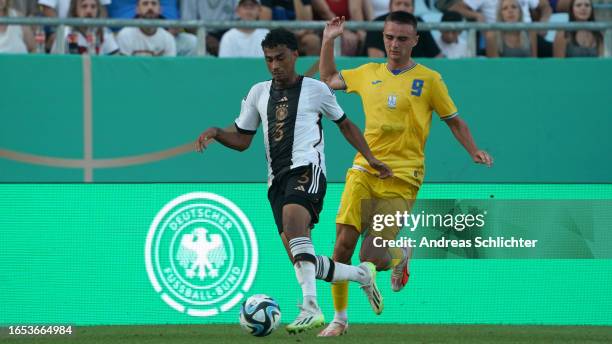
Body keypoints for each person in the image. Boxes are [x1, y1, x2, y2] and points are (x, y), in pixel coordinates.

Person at [195, 29, 392, 335]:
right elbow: (242, 139)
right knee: (305, 260)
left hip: (307, 170)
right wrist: (216, 133)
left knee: (294, 223)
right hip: (276, 182)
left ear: (295, 55)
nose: (274, 65)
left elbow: (346, 125)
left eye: (280, 58)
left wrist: (370, 157)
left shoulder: (316, 89)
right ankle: (361, 275)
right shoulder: (258, 92)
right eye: (269, 59)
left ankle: (311, 307)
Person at [319, 13, 493, 336]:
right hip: (364, 169)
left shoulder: (429, 79)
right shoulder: (368, 72)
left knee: (371, 255)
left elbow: (453, 120)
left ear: (415, 40)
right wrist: (328, 41)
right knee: (342, 246)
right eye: (388, 37)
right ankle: (340, 320)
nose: (394, 44)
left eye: (401, 39)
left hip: (403, 177)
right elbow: (328, 77)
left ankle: (400, 254)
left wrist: (473, 151)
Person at [365, 0, 442, 58]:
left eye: (406, 5)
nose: (402, 8)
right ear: (390, 7)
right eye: (398, 4)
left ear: (413, 9)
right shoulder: (377, 24)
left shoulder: (420, 24)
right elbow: (376, 61)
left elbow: (437, 57)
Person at [52, 0, 119, 55]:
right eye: (84, 6)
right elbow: (56, 62)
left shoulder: (104, 32)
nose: (89, 11)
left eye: (93, 7)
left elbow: (116, 60)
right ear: (75, 9)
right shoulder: (65, 33)